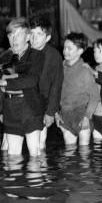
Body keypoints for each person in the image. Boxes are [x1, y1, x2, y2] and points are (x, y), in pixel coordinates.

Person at [0, 18, 45, 156]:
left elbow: (31, 80)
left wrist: (5, 81)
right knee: (12, 155)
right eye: (10, 35)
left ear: (28, 36)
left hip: (29, 106)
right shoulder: (4, 57)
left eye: (18, 34)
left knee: (34, 152)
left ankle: (36, 177)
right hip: (10, 107)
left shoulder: (36, 55)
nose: (14, 39)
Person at [57, 32, 100, 146]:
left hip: (81, 114)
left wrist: (87, 116)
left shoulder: (85, 71)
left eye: (69, 48)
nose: (65, 51)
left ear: (80, 51)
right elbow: (54, 92)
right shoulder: (59, 68)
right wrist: (56, 113)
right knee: (69, 152)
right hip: (64, 114)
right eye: (64, 47)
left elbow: (95, 96)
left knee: (84, 152)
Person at [29, 17, 63, 151]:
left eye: (39, 34)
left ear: (47, 38)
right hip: (21, 105)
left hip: (41, 105)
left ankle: (41, 170)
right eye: (31, 34)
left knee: (39, 145)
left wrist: (50, 112)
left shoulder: (53, 56)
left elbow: (56, 85)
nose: (34, 38)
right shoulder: (22, 52)